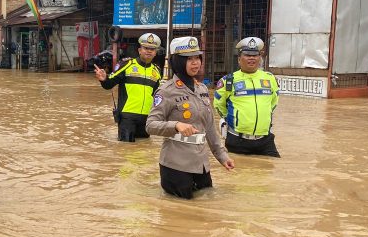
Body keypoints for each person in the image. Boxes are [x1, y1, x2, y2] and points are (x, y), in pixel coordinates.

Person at [146, 36, 234, 199]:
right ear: (178, 61)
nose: (196, 63)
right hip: (175, 166)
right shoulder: (166, 91)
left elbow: (209, 127)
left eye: (197, 58)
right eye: (189, 59)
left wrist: (222, 156)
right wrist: (176, 125)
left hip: (201, 165)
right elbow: (151, 125)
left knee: (204, 213)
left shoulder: (202, 89)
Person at [214, 36, 281, 158]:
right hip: (237, 140)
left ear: (260, 58)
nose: (251, 58)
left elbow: (273, 102)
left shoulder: (270, 78)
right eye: (247, 55)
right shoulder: (228, 81)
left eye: (255, 55)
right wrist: (233, 120)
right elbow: (219, 105)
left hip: (265, 140)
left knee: (272, 170)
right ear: (239, 59)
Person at [94, 32, 162, 142]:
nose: (149, 51)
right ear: (139, 50)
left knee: (144, 150)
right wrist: (104, 78)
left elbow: (158, 96)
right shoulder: (127, 65)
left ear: (155, 53)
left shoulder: (157, 71)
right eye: (146, 48)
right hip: (127, 118)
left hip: (147, 118)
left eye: (152, 49)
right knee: (126, 151)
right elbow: (109, 84)